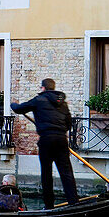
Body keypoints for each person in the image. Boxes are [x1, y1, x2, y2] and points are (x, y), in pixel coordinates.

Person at [11, 77, 80, 210]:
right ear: (53, 88)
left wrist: (12, 104)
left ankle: (49, 206)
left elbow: (19, 109)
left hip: (46, 140)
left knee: (46, 174)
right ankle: (74, 203)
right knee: (66, 173)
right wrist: (58, 131)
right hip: (61, 140)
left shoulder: (39, 100)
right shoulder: (63, 103)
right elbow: (69, 124)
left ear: (43, 88)